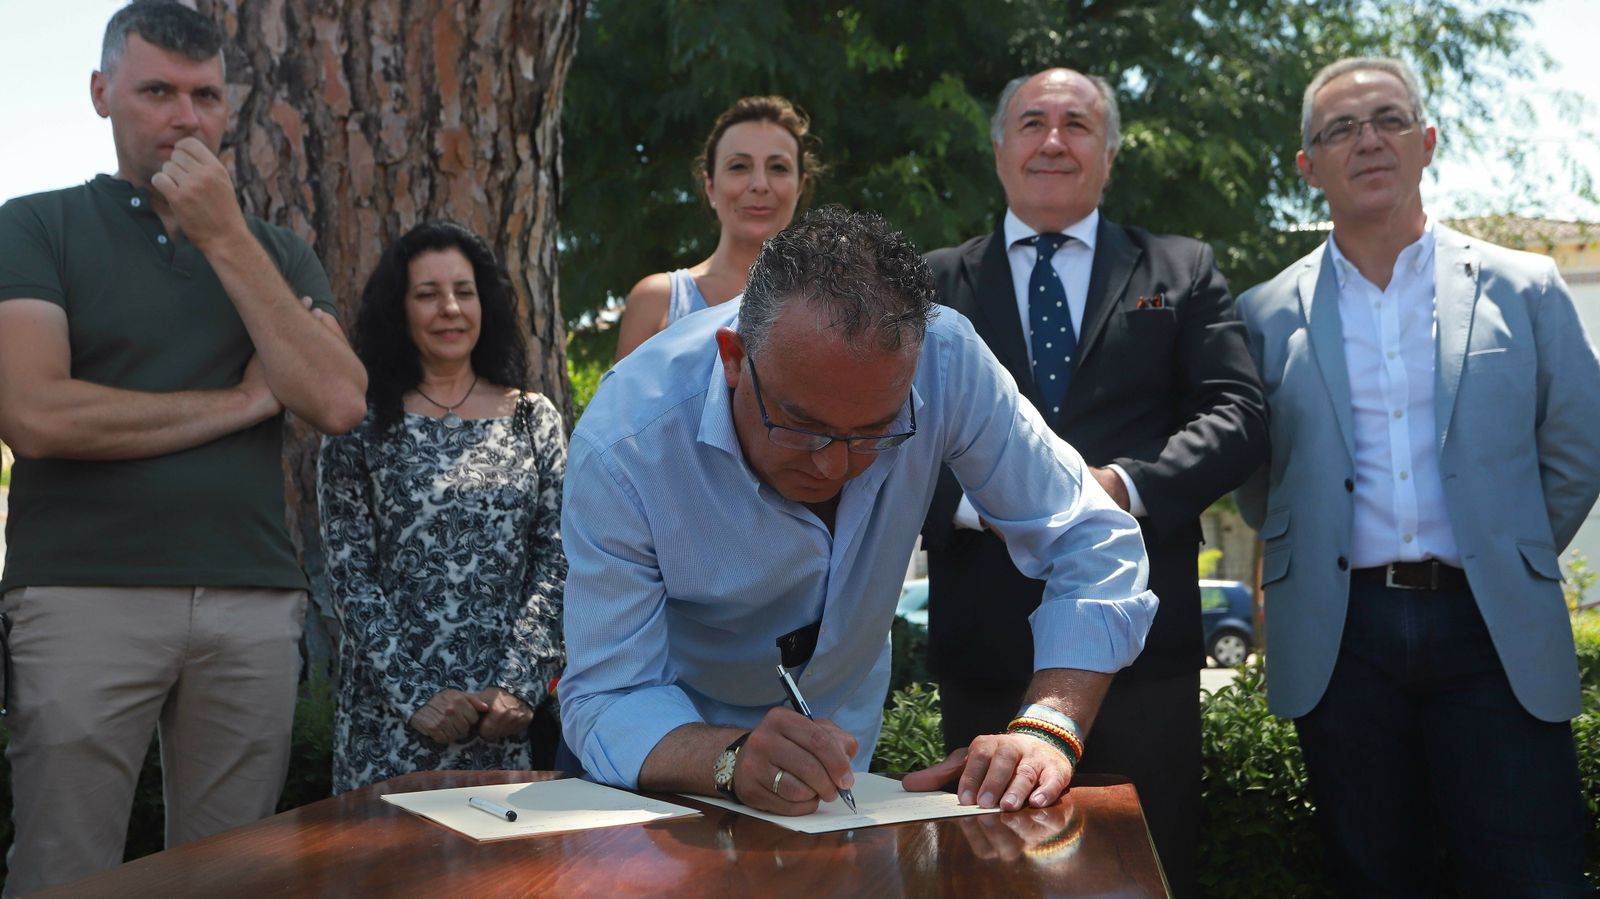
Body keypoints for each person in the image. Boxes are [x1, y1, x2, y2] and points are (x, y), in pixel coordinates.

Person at [560, 204, 1157, 817]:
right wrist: (730, 757)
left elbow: (1093, 540)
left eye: (877, 431)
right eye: (799, 425)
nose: (832, 467)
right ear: (733, 358)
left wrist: (1047, 729)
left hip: (846, 761)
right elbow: (610, 693)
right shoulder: (625, 442)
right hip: (669, 766)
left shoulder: (946, 361)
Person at [0, 1, 367, 893]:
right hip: (83, 593)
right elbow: (37, 415)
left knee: (232, 873)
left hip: (250, 599)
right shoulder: (35, 226)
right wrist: (241, 401)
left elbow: (338, 398)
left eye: (204, 96)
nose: (185, 117)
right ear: (101, 94)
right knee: (64, 867)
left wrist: (225, 235)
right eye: (157, 90)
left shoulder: (272, 252)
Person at [1235, 57, 1600, 894]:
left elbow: (1578, 444)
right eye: (1339, 130)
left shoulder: (1526, 285)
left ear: (1427, 141)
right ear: (1308, 167)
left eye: (1389, 119)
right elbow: (1261, 481)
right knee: (1374, 876)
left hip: (1491, 628)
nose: (1367, 140)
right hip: (1344, 638)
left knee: (1532, 875)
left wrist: (1508, 549)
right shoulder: (1263, 313)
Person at [919, 67, 1268, 897]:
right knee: (989, 876)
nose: (1053, 140)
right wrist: (987, 505)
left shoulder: (1181, 269)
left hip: (1144, 655)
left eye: (1077, 124)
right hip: (986, 648)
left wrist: (1123, 486)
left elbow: (1239, 414)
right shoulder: (930, 284)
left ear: (1108, 154)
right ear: (998, 149)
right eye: (1032, 122)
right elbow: (891, 435)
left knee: (1146, 870)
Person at [318, 221, 567, 794]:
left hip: (503, 719)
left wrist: (520, 686)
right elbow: (349, 574)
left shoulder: (534, 419)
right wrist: (415, 695)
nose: (450, 309)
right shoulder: (358, 420)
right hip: (392, 722)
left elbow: (559, 562)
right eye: (427, 294)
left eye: (464, 291)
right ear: (399, 309)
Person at [612, 95, 819, 361]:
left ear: (799, 186)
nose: (759, 184)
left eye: (778, 167)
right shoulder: (657, 302)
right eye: (739, 166)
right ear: (710, 186)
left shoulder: (824, 303)